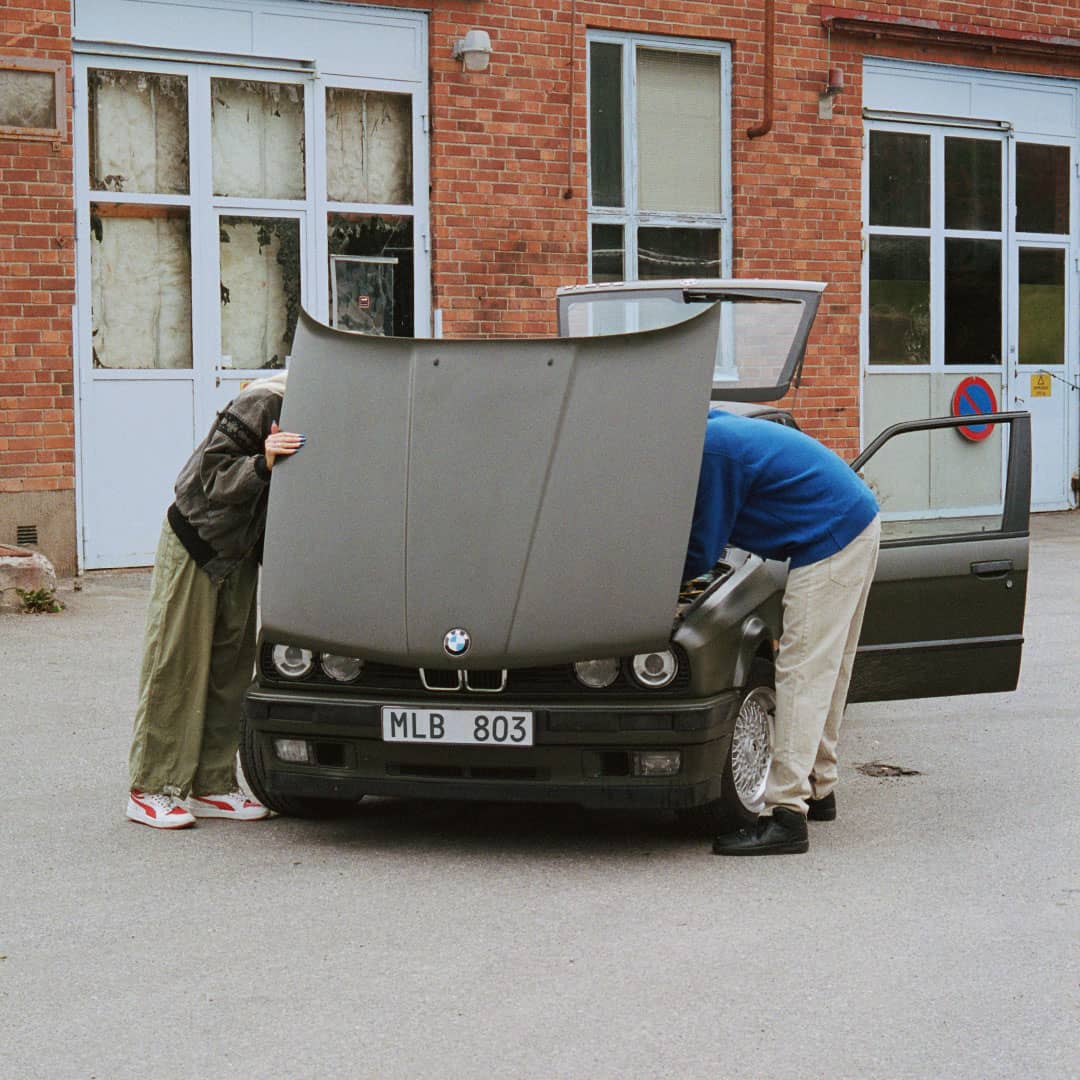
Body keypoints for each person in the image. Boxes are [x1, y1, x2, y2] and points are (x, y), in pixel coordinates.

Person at [682, 409, 880, 856]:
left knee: (802, 674)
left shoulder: (712, 452)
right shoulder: (714, 428)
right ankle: (819, 787)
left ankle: (786, 816)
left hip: (829, 539)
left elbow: (701, 552)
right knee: (829, 670)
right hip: (857, 521)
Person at [126, 371, 304, 829]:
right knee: (178, 664)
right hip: (197, 541)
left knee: (230, 670)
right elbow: (211, 476)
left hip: (240, 552)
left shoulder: (333, 420)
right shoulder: (265, 401)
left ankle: (212, 783)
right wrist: (262, 463)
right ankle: (152, 788)